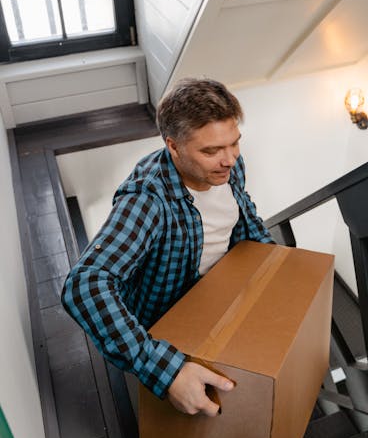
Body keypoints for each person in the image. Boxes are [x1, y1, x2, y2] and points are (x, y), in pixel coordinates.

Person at [61, 78, 274, 417]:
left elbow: (243, 214)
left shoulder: (230, 168)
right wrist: (164, 370)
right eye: (211, 151)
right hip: (174, 322)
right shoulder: (148, 200)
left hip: (223, 291)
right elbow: (84, 285)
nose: (229, 160)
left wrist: (276, 264)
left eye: (234, 144)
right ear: (173, 147)